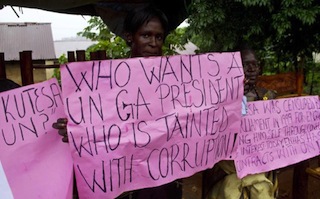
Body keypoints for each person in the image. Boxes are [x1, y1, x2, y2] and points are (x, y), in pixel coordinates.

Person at [53, 5, 182, 199]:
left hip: (160, 176)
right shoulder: (104, 80)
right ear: (130, 37)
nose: (154, 43)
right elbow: (90, 118)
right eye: (146, 35)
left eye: (159, 37)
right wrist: (73, 128)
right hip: (118, 175)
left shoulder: (176, 78)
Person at [205, 47, 278, 199]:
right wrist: (236, 95)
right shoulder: (221, 97)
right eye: (246, 64)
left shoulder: (268, 96)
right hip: (229, 166)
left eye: (254, 64)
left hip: (258, 161)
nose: (251, 69)